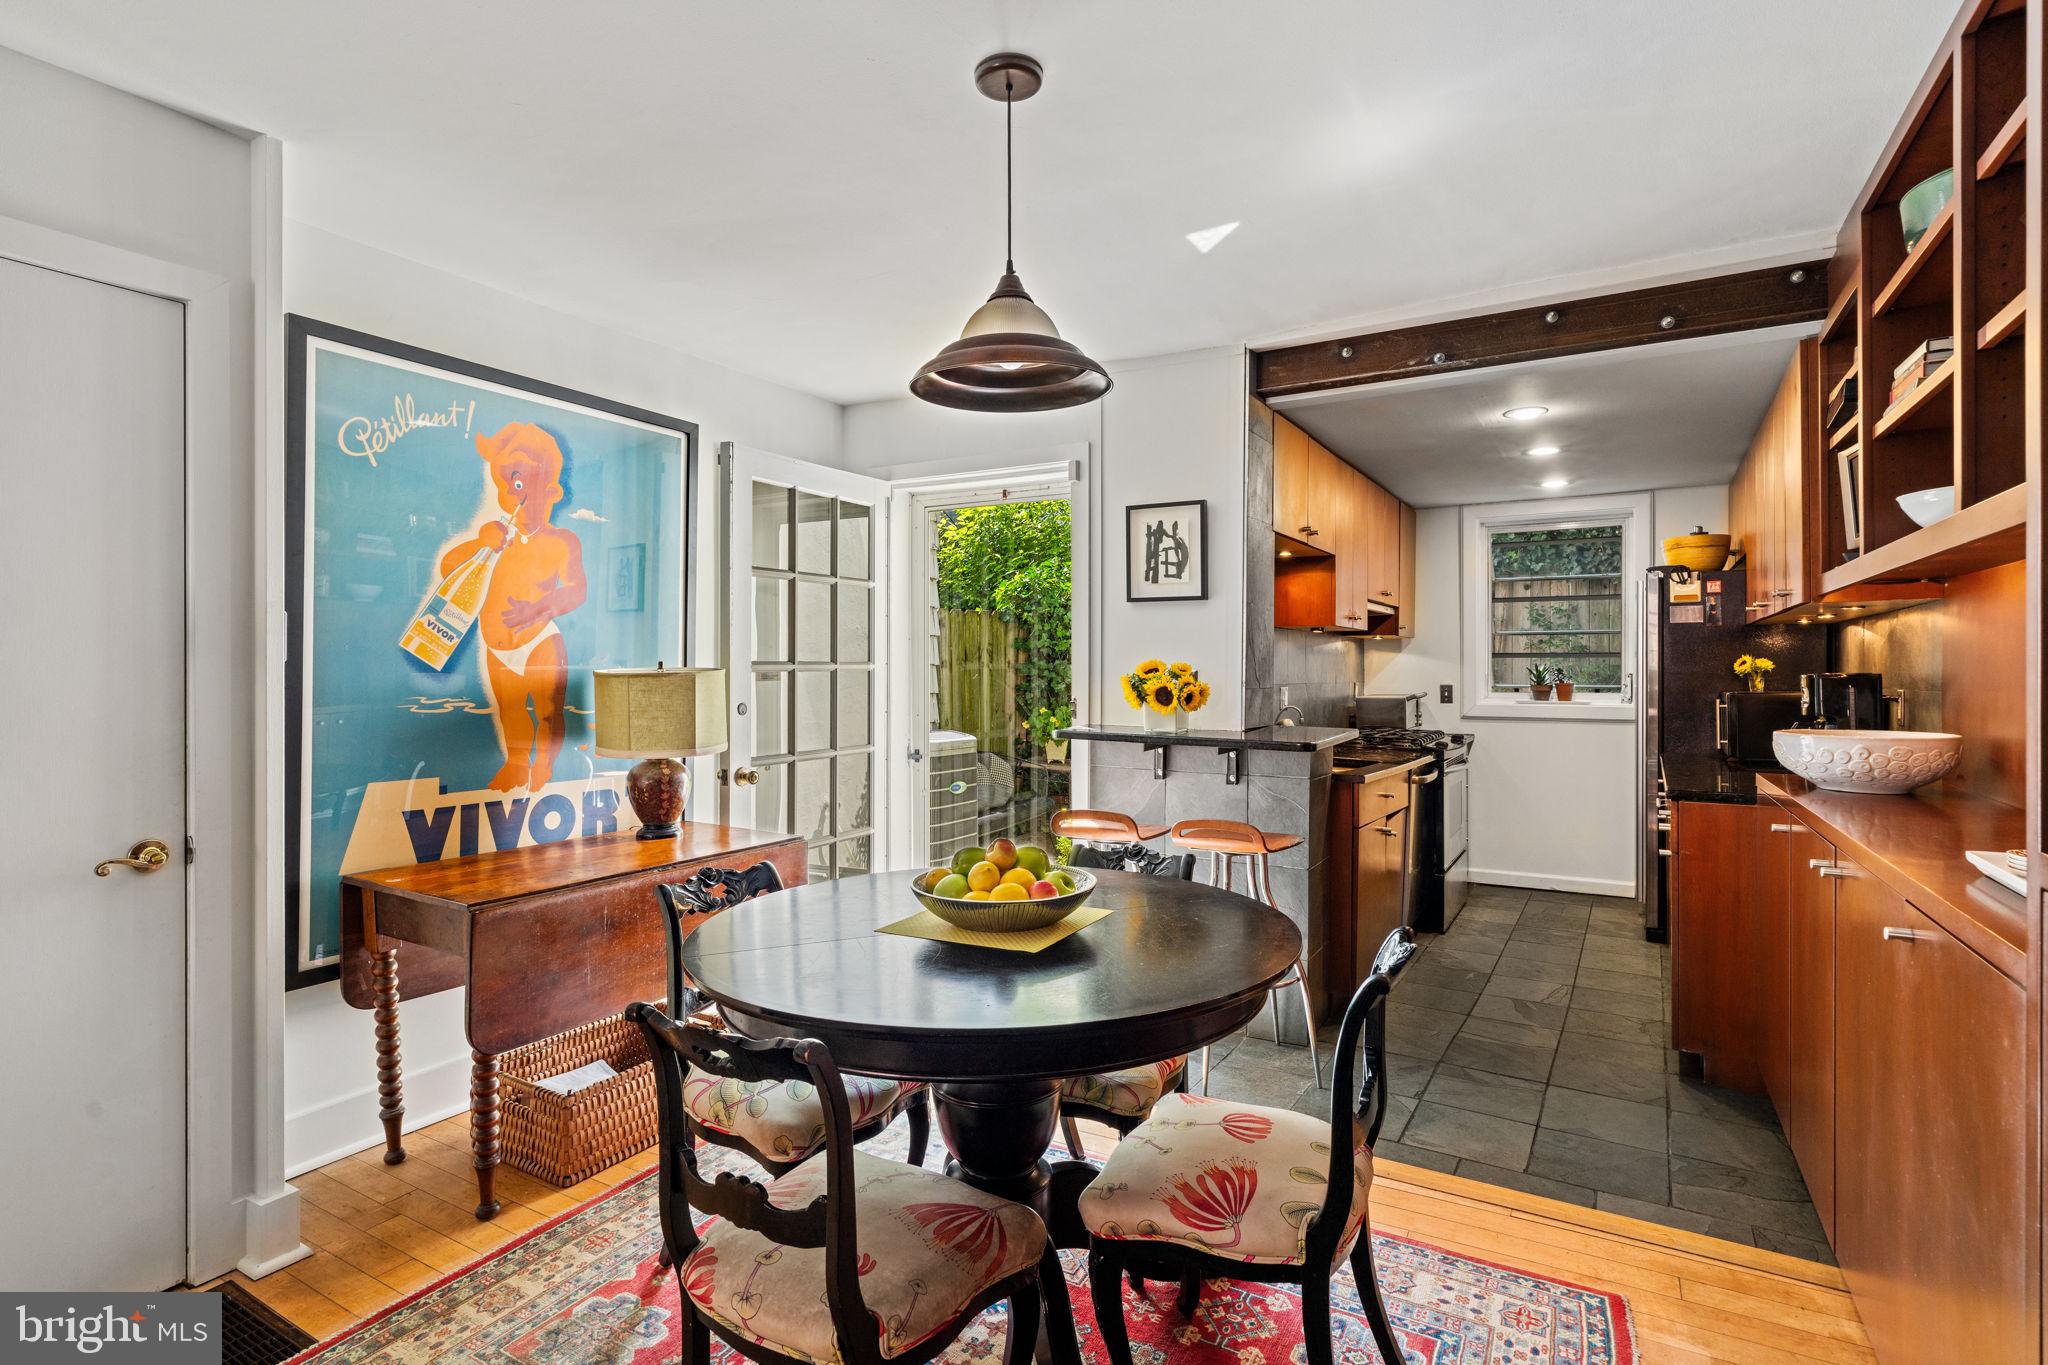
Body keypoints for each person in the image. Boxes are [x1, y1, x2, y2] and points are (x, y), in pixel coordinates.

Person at [437, 420, 587, 791]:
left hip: (539, 641)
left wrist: (538, 610)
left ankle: (545, 767)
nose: (509, 496)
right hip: (497, 645)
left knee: (549, 710)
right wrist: (480, 545)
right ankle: (517, 764)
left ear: (551, 491)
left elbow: (576, 590)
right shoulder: (496, 539)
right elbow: (448, 568)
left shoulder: (561, 541)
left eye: (517, 484)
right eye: (504, 485)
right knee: (510, 710)